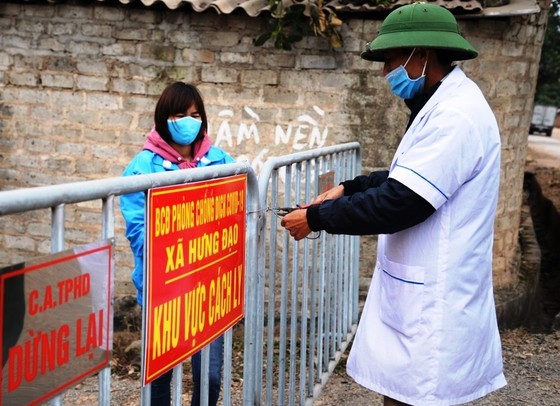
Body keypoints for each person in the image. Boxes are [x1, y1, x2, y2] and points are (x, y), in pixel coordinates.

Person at [280, 4, 507, 405]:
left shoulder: (455, 115)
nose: (386, 71)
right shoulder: (442, 105)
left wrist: (316, 218)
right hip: (425, 297)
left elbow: (402, 201)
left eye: (390, 59)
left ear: (421, 54)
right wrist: (349, 187)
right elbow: (409, 176)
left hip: (436, 309)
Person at [120, 82, 235, 405]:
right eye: (180, 115)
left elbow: (238, 207)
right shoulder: (142, 167)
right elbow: (138, 229)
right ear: (164, 118)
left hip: (210, 288)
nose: (188, 121)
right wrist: (176, 260)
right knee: (161, 375)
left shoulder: (220, 160)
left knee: (209, 375)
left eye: (195, 114)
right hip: (164, 289)